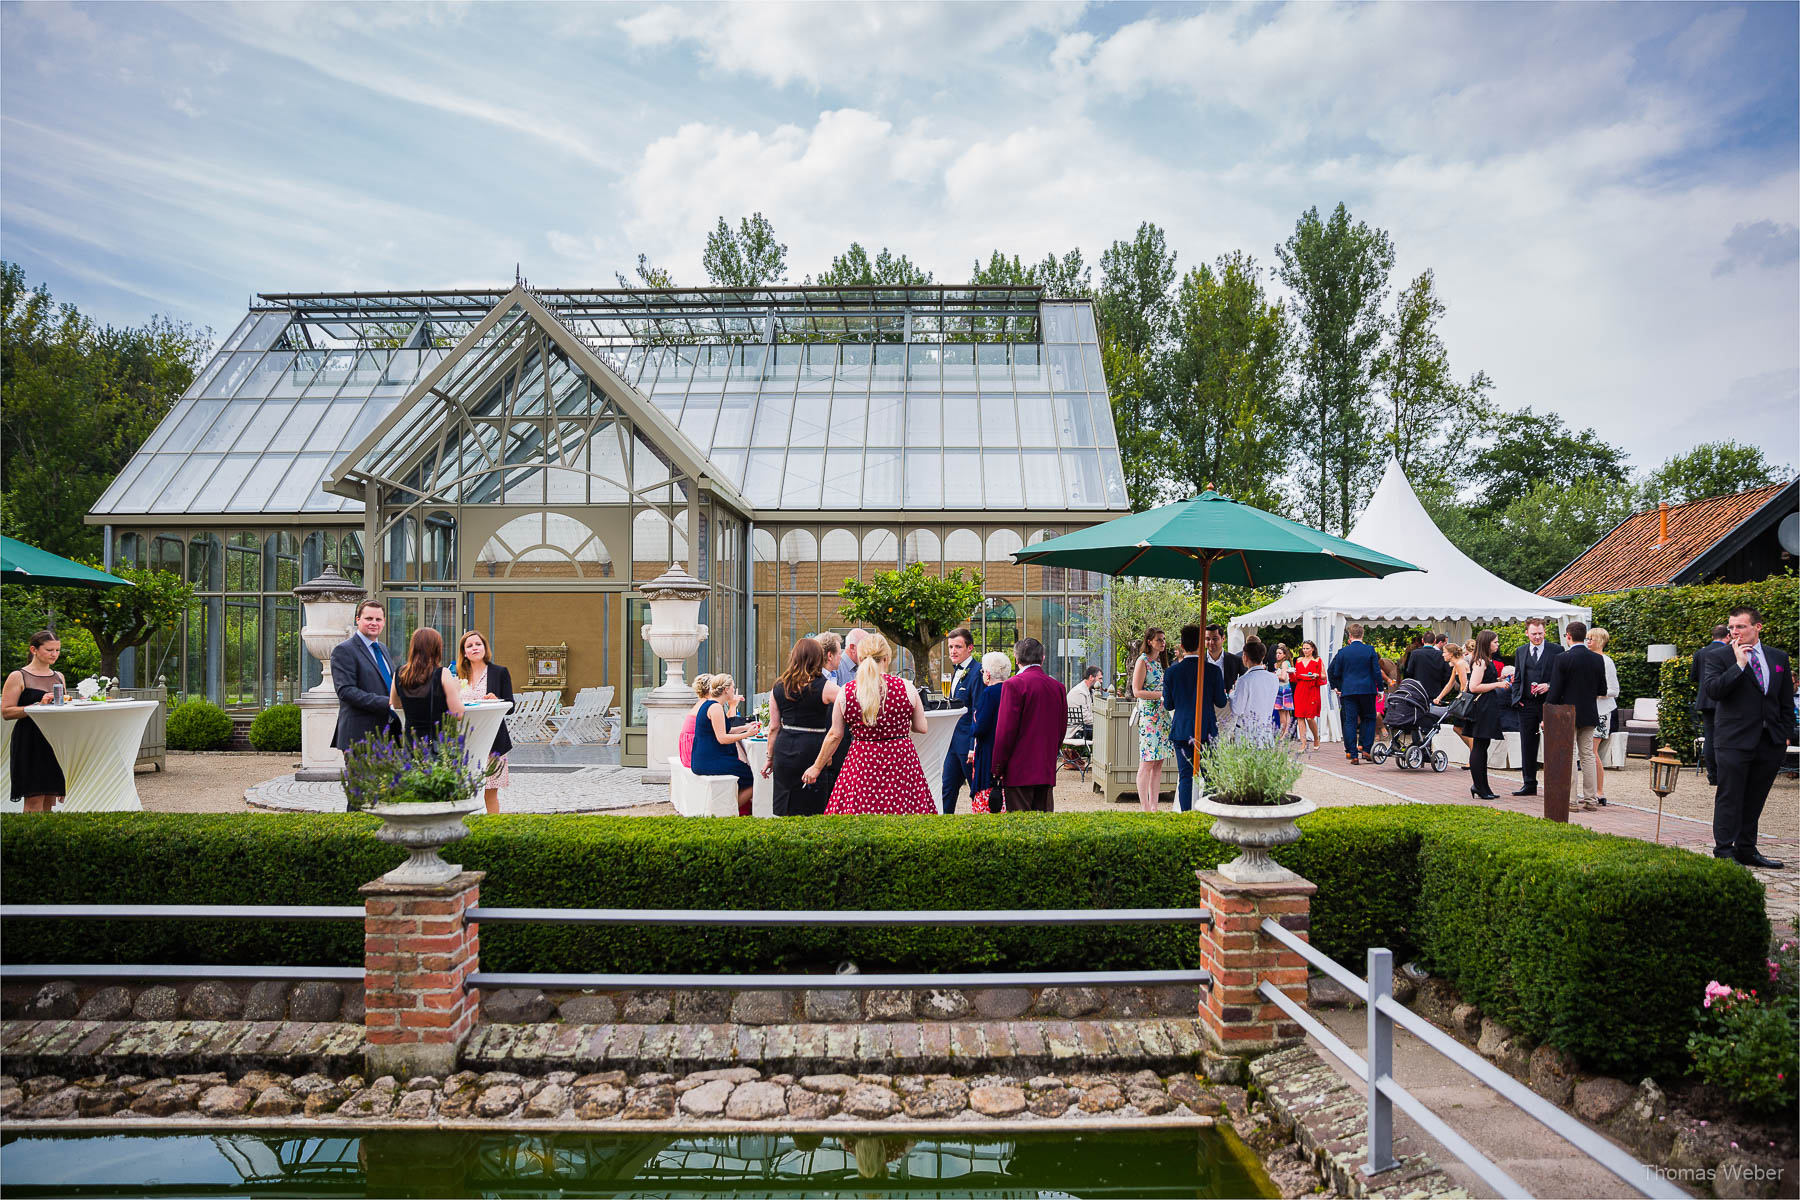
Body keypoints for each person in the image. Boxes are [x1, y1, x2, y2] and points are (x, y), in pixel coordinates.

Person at [1703, 605, 1794, 870]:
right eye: (1731, 627)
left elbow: (1784, 700)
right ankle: (1723, 850)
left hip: (1769, 741)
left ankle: (1746, 849)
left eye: (1740, 626)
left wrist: (1785, 734)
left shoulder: (1778, 658)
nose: (1735, 632)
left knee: (1755, 797)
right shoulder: (1719, 657)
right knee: (1730, 795)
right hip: (1733, 739)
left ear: (1758, 627)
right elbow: (1713, 691)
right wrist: (1739, 665)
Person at [809, 633, 932, 815]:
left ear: (860, 658)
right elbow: (922, 727)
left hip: (862, 761)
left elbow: (835, 734)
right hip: (900, 760)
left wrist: (816, 766)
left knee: (858, 812)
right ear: (886, 658)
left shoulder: (847, 692)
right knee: (905, 814)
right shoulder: (906, 687)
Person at [766, 638, 841, 817]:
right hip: (812, 748)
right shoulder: (827, 688)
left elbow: (774, 727)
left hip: (784, 749)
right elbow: (850, 707)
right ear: (818, 659)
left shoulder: (778, 687)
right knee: (812, 808)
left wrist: (769, 757)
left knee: (785, 806)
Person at [991, 637, 1067, 812]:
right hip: (1045, 768)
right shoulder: (1058, 687)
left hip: (1018, 770)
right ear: (1043, 658)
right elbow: (1061, 730)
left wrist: (997, 766)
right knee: (1044, 829)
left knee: (1021, 830)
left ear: (1016, 660)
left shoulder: (1013, 685)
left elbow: (1005, 732)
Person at [1545, 620, 1607, 812]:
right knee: (1587, 755)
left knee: (1570, 755)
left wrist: (1548, 709)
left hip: (1567, 713)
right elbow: (1602, 689)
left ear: (1568, 636)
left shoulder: (1562, 658)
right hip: (1589, 711)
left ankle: (1571, 801)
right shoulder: (1597, 659)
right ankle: (1590, 799)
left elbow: (1555, 690)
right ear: (1584, 636)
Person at [3, 630, 66, 811]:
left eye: (57, 650)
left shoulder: (59, 676)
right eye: (49, 650)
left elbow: (62, 708)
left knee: (50, 797)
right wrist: (37, 706)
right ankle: (30, 838)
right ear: (34, 649)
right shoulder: (18, 676)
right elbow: (6, 712)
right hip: (29, 740)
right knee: (34, 798)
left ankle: (47, 838)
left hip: (54, 740)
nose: (54, 654)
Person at [1163, 625, 1224, 812]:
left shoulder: (1172, 672)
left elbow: (1169, 705)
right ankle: (1208, 813)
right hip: (1206, 729)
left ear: (1181, 645)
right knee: (1211, 776)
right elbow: (1221, 702)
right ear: (1201, 644)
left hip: (1181, 729)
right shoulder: (1213, 671)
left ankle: (1186, 815)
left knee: (1185, 777)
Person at [330, 599, 402, 752]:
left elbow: (391, 682)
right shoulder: (344, 650)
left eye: (378, 619)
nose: (374, 623)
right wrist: (388, 702)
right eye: (368, 618)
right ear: (358, 620)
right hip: (359, 736)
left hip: (388, 734)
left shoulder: (382, 648)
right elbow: (346, 691)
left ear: (384, 622)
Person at [455, 631, 514, 815]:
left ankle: (493, 832)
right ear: (464, 652)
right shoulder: (457, 674)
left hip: (492, 741)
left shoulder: (499, 672)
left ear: (484, 648)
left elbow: (511, 706)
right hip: (464, 742)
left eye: (478, 644)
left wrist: (497, 700)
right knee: (464, 792)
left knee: (490, 794)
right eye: (470, 646)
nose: (474, 648)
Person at [691, 673, 761, 816]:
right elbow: (722, 738)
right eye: (733, 687)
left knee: (746, 772)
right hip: (709, 761)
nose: (734, 690)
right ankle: (729, 811)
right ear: (726, 690)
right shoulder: (715, 707)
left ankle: (735, 809)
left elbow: (726, 729)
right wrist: (747, 734)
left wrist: (746, 727)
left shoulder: (710, 705)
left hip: (705, 758)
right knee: (754, 777)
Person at [1508, 617, 1563, 797]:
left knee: (1554, 744)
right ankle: (1529, 783)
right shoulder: (1521, 651)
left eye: (1540, 633)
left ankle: (1554, 784)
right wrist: (1517, 699)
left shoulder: (1557, 650)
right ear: (1527, 633)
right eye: (1534, 634)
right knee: (1527, 744)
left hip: (1549, 703)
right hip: (1527, 704)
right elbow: (1518, 677)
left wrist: (1549, 685)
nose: (1537, 637)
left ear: (1544, 632)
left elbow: (1562, 677)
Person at [391, 627, 464, 743]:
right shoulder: (442, 673)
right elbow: (458, 714)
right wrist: (456, 690)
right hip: (436, 741)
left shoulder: (400, 673)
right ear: (437, 649)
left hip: (411, 741)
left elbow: (396, 704)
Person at [1461, 630, 1508, 800]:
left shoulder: (1485, 660)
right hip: (1482, 707)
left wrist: (1498, 679)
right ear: (1487, 643)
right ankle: (1479, 786)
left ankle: (1483, 786)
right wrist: (1498, 684)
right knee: (1480, 746)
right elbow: (1474, 687)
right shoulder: (1480, 661)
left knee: (1483, 745)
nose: (1497, 645)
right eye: (1495, 642)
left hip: (1486, 706)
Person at [1328, 623, 1384, 765]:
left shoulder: (1343, 652)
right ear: (1362, 635)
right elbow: (1377, 672)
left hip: (1349, 691)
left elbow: (1335, 672)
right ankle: (1366, 748)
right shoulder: (1370, 650)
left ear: (1350, 636)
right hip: (1367, 690)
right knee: (1369, 718)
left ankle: (1352, 754)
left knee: (1350, 721)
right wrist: (1381, 689)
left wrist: (1338, 687)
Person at [1131, 629, 1174, 813]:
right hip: (1150, 716)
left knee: (1158, 762)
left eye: (1164, 639)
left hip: (1162, 715)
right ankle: (1144, 806)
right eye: (1159, 639)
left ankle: (1154, 806)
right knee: (1147, 761)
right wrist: (1161, 695)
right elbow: (1136, 691)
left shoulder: (1159, 663)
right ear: (1149, 641)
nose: (1162, 642)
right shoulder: (1143, 661)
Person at [965, 651, 1011, 813]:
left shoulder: (989, 693)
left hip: (988, 750)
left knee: (986, 791)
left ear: (988, 674)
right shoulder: (1010, 691)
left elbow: (980, 727)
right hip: (1006, 749)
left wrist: (972, 727)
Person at [941, 627, 981, 814]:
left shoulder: (978, 672)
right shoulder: (954, 672)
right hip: (952, 742)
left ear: (970, 648)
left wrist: (973, 745)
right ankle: (943, 828)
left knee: (976, 790)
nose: (953, 651)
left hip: (968, 744)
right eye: (950, 647)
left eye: (958, 646)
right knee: (947, 788)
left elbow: (977, 711)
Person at [1691, 625, 1734, 786]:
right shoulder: (1730, 652)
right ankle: (1725, 773)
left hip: (1705, 699)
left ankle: (1713, 775)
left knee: (1709, 737)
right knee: (1726, 736)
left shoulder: (1700, 652)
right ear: (1727, 637)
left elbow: (1694, 677)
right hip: (1724, 700)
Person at [1587, 627, 1620, 806]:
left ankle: (1599, 791)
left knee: (1592, 752)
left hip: (1602, 711)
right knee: (1588, 752)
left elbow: (1614, 690)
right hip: (1589, 709)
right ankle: (1592, 789)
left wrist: (1595, 693)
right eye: (1587, 638)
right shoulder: (1590, 660)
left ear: (1599, 640)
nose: (1588, 641)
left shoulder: (1606, 662)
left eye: (1590, 639)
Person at [1234, 639, 1279, 733]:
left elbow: (1237, 710)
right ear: (1262, 656)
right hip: (1266, 728)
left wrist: (1231, 695)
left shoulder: (1243, 680)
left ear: (1245, 657)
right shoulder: (1274, 678)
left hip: (1246, 730)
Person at [1203, 625, 1242, 730]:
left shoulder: (1236, 660)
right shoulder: (1198, 662)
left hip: (1227, 709)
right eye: (1207, 639)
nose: (1211, 642)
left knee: (1224, 741)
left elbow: (1244, 682)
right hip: (1205, 708)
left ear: (1223, 639)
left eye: (1215, 639)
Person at [1291, 640, 1325, 753]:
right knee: (1300, 717)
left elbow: (1324, 676)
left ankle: (1316, 737)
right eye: (1304, 648)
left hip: (1312, 689)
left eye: (1307, 648)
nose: (1305, 651)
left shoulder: (1317, 660)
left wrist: (1317, 675)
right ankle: (1303, 743)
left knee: (1310, 717)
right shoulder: (1299, 660)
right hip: (1300, 690)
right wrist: (1291, 674)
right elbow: (1296, 677)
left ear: (1313, 649)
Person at [1404, 636, 1451, 703]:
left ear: (1422, 640)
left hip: (1419, 690)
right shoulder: (1441, 654)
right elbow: (1448, 673)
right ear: (1434, 641)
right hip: (1436, 690)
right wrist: (1441, 685)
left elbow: (1409, 671)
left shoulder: (1415, 653)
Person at [679, 674, 712, 769]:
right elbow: (725, 728)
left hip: (687, 750)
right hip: (694, 753)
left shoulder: (700, 702)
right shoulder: (708, 705)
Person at [1272, 644, 1296, 739]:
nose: (1277, 655)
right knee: (1286, 713)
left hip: (1283, 689)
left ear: (1285, 655)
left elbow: (1283, 677)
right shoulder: (1281, 664)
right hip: (1284, 688)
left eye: (1280, 653)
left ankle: (1283, 733)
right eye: (1277, 653)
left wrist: (1272, 676)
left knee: (1282, 712)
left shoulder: (1284, 663)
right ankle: (1286, 733)